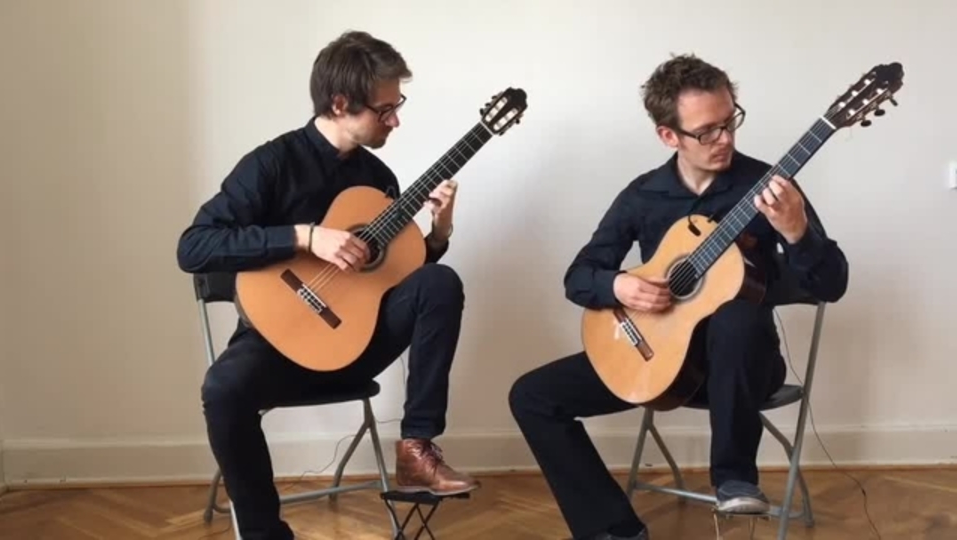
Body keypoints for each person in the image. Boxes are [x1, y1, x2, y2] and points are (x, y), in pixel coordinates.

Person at [508, 54, 849, 540]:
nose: (725, 138)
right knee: (532, 397)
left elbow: (832, 285)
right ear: (669, 135)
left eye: (730, 122)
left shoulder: (770, 187)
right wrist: (618, 285)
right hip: (661, 363)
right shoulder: (643, 195)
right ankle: (614, 529)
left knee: (735, 317)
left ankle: (735, 478)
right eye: (707, 131)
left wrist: (798, 234)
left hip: (743, 368)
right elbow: (578, 276)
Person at [176, 30, 479, 540]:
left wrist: (439, 233)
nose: (395, 120)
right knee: (223, 389)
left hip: (355, 345)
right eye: (385, 110)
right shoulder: (271, 164)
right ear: (340, 104)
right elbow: (194, 247)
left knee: (440, 281)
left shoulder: (378, 179)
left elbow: (399, 278)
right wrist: (305, 237)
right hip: (280, 345)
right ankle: (264, 533)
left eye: (397, 107)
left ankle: (416, 448)